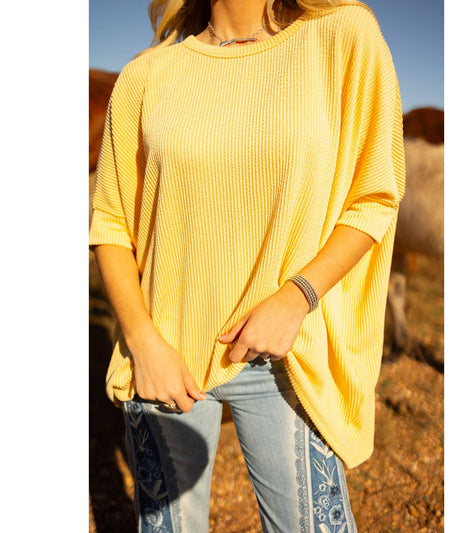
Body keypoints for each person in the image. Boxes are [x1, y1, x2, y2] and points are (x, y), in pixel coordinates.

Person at [89, 0, 405, 530]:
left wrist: (298, 296)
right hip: (163, 357)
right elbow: (111, 222)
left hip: (285, 358)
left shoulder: (343, 36)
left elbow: (373, 196)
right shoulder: (146, 75)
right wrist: (142, 342)